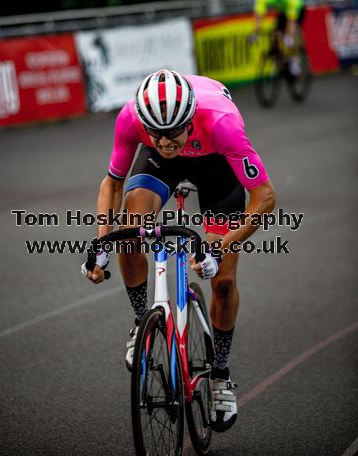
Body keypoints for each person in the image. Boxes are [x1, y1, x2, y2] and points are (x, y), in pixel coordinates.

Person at [82, 69, 275, 432]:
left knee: (223, 280)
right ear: (144, 122)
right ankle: (143, 323)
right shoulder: (132, 120)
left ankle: (219, 374)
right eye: (156, 132)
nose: (167, 140)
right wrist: (101, 240)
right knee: (129, 230)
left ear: (188, 119)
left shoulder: (222, 123)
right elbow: (111, 184)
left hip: (215, 162)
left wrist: (222, 245)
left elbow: (264, 197)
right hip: (159, 168)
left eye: (173, 132)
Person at [252, 0, 305, 75]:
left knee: (294, 35)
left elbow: (291, 21)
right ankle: (279, 63)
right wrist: (256, 33)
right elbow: (259, 16)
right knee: (276, 32)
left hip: (298, 10)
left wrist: (289, 36)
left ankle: (295, 61)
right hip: (282, 12)